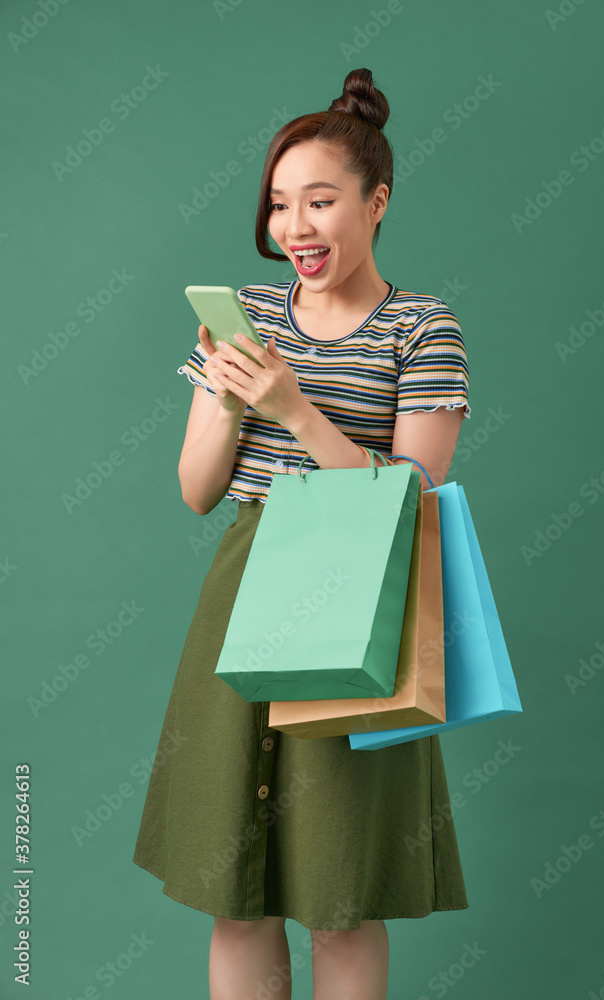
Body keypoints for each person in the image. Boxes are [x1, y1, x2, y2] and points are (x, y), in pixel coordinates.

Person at [132, 67, 471, 1000]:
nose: (295, 228)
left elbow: (411, 499)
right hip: (243, 590)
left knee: (339, 897)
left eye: (320, 201)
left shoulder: (423, 329)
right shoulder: (247, 316)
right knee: (233, 894)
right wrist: (226, 397)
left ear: (377, 201)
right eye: (280, 204)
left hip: (354, 602)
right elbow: (197, 491)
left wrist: (290, 406)